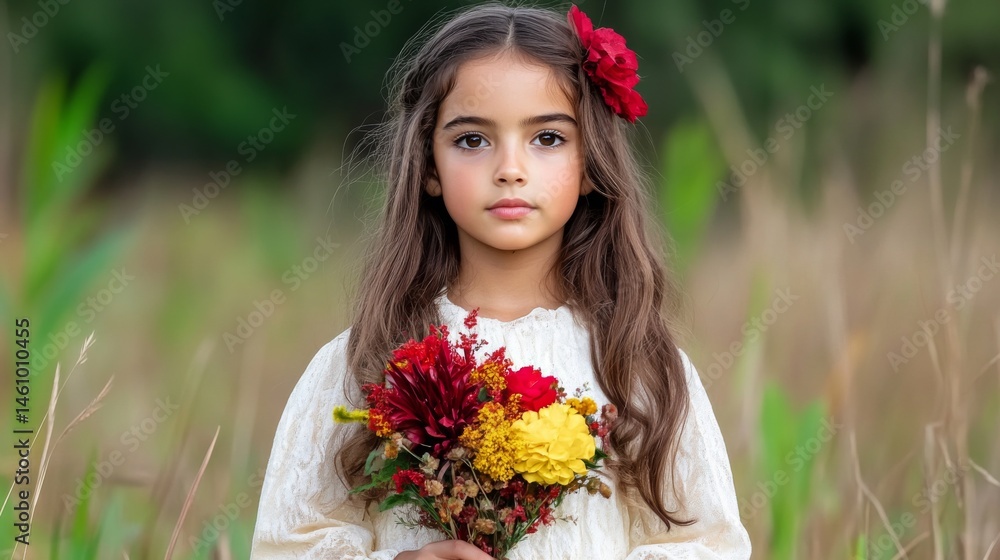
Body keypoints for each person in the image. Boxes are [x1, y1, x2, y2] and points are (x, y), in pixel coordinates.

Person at [250, 3, 751, 559]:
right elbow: (288, 545)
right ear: (430, 167)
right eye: (471, 140)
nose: (510, 168)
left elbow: (705, 544)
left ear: (590, 163)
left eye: (548, 138)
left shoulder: (636, 364)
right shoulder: (367, 363)